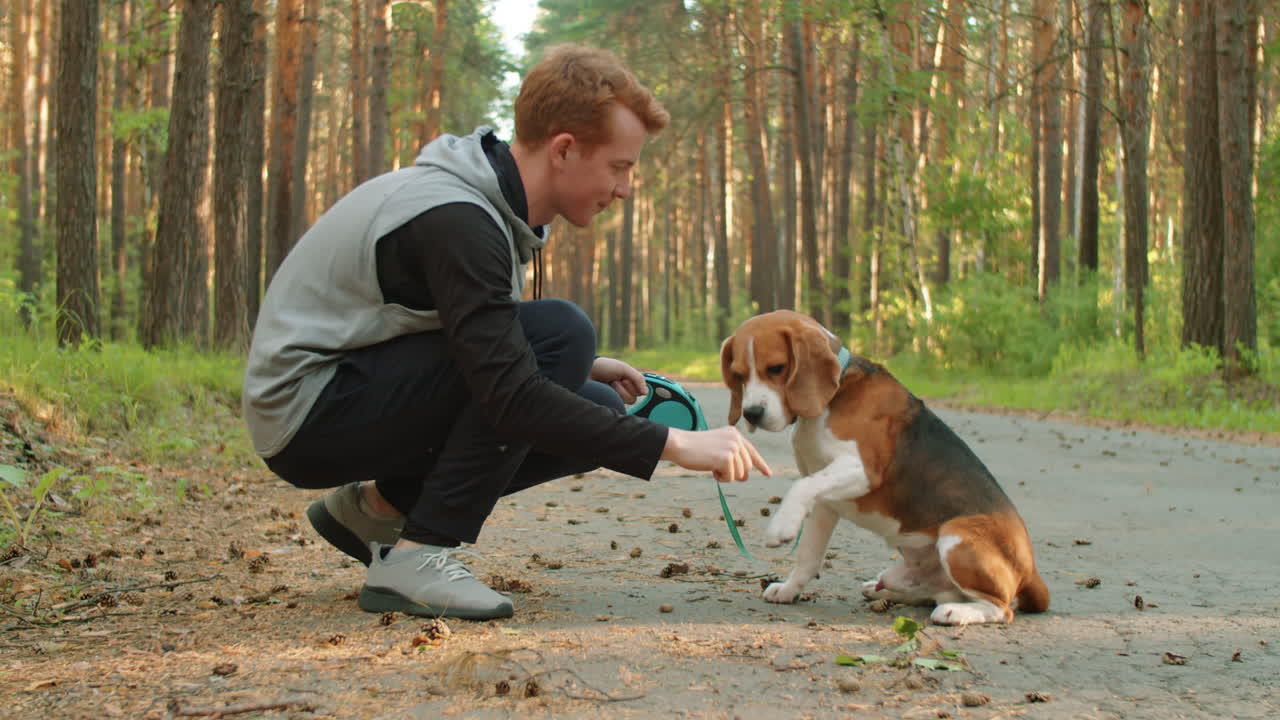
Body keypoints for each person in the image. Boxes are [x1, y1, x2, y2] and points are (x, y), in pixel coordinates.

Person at [242, 44, 770, 620]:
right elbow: (510, 396)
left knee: (589, 394)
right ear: (565, 149)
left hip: (343, 390)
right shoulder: (458, 218)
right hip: (308, 412)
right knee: (562, 334)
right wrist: (676, 444)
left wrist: (585, 367)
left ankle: (375, 509)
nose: (624, 189)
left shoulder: (485, 207)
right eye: (620, 166)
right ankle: (420, 556)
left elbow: (459, 331)